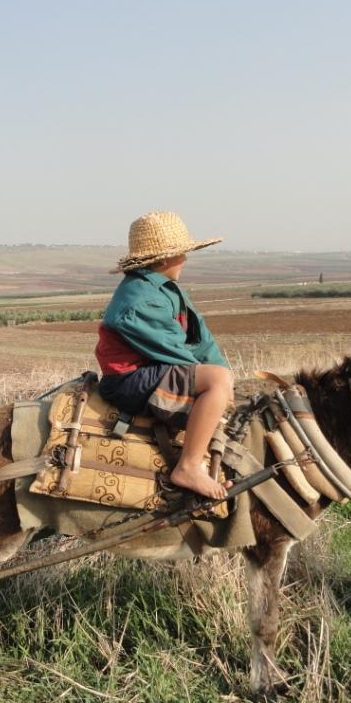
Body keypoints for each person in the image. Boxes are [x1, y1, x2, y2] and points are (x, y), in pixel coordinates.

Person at [95, 210, 234, 499]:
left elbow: (199, 337)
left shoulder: (166, 289)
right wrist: (216, 382)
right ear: (163, 259)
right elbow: (177, 354)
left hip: (154, 369)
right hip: (128, 380)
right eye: (182, 253)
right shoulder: (140, 300)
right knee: (216, 382)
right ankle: (188, 467)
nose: (185, 259)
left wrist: (222, 375)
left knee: (221, 381)